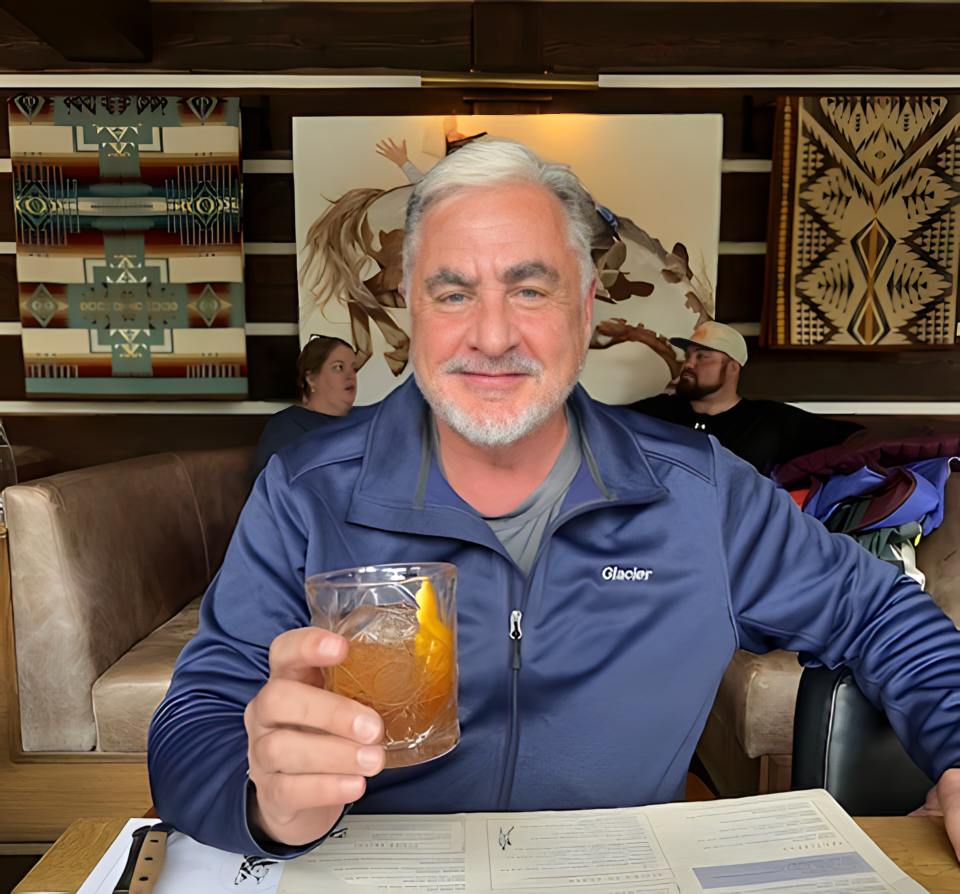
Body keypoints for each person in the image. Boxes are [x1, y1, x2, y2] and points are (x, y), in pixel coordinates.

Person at [149, 137, 960, 858]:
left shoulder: (701, 494)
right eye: (453, 292)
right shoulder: (305, 489)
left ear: (584, 306)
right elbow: (196, 717)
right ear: (410, 310)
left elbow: (880, 615)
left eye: (531, 291)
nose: (493, 335)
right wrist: (264, 803)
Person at [628, 321, 862, 475]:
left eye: (703, 356)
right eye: (688, 356)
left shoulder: (770, 420)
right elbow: (598, 426)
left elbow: (858, 439)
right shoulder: (656, 411)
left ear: (733, 367)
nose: (688, 364)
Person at [249, 336, 357, 478]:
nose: (351, 375)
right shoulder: (286, 425)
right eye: (338, 367)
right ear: (311, 379)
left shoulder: (365, 419)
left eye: (353, 367)